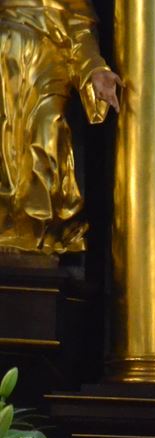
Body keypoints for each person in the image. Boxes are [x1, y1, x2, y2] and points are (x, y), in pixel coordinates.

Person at [0, 0, 122, 254]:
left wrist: (96, 69)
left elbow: (80, 31)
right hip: (4, 59)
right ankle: (10, 231)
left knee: (46, 137)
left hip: (50, 63)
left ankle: (35, 232)